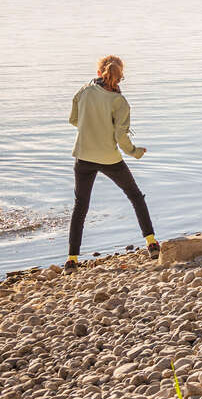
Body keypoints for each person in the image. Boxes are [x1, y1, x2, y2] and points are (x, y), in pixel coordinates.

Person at [66, 55, 158, 272]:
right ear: (120, 77)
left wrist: (91, 126)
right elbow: (120, 137)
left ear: (100, 73)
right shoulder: (120, 102)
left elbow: (73, 120)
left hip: (84, 157)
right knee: (135, 196)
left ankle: (72, 260)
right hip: (110, 159)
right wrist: (135, 152)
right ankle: (152, 244)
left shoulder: (84, 92)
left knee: (81, 206)